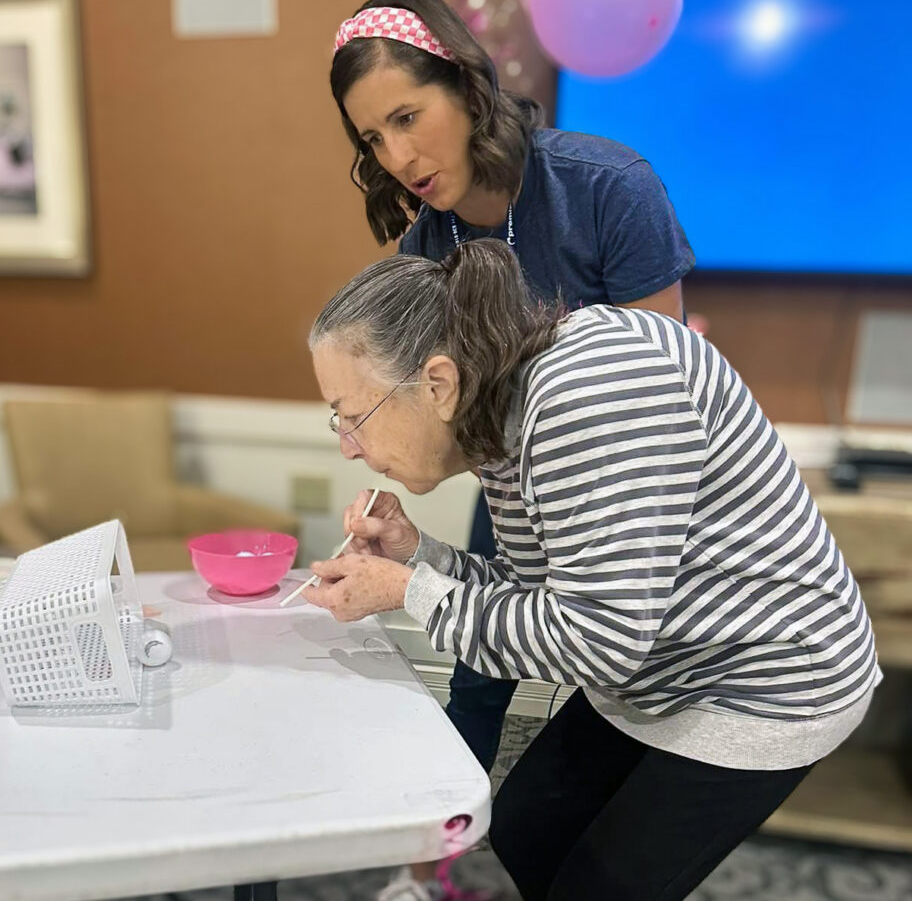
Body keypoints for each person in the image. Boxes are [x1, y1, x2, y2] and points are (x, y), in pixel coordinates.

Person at [301, 239, 880, 901]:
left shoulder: (587, 396)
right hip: (660, 659)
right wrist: (416, 554)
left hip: (764, 679)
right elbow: (539, 596)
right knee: (525, 829)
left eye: (353, 418)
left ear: (437, 382)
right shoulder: (499, 407)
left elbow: (597, 640)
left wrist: (413, 592)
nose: (350, 448)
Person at [329, 0, 696, 899]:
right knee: (479, 682)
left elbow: (668, 386)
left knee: (618, 680)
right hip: (515, 494)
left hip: (640, 505)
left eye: (410, 117)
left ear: (467, 84)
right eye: (374, 138)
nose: (400, 155)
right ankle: (422, 876)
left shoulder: (608, 188)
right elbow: (439, 417)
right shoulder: (427, 252)